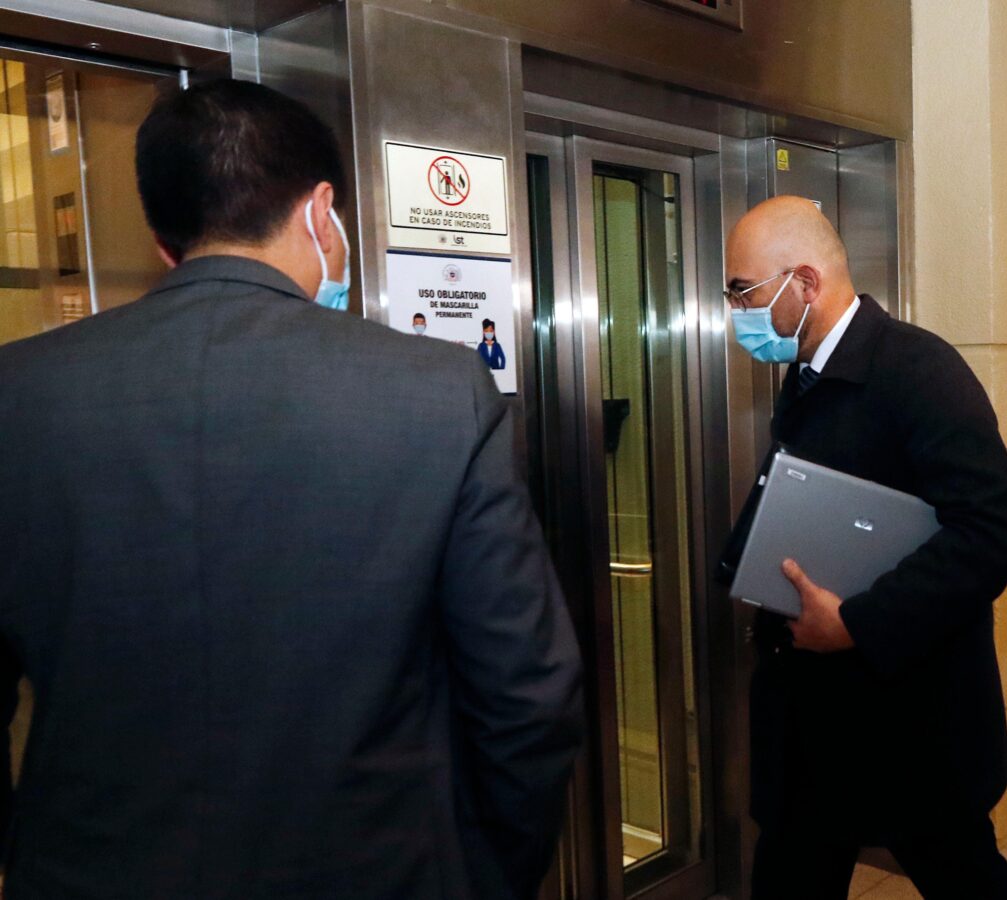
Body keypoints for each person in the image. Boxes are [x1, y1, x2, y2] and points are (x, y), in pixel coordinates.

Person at [0, 80, 584, 899]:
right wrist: (487, 875)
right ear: (320, 212)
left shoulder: (19, 394)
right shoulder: (437, 392)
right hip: (376, 874)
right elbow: (526, 694)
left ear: (165, 240)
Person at [719, 196, 1007, 899]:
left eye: (744, 292)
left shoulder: (920, 370)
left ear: (805, 283)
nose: (737, 312)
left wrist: (857, 623)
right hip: (814, 724)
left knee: (963, 874)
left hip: (911, 722)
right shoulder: (806, 376)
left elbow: (992, 530)